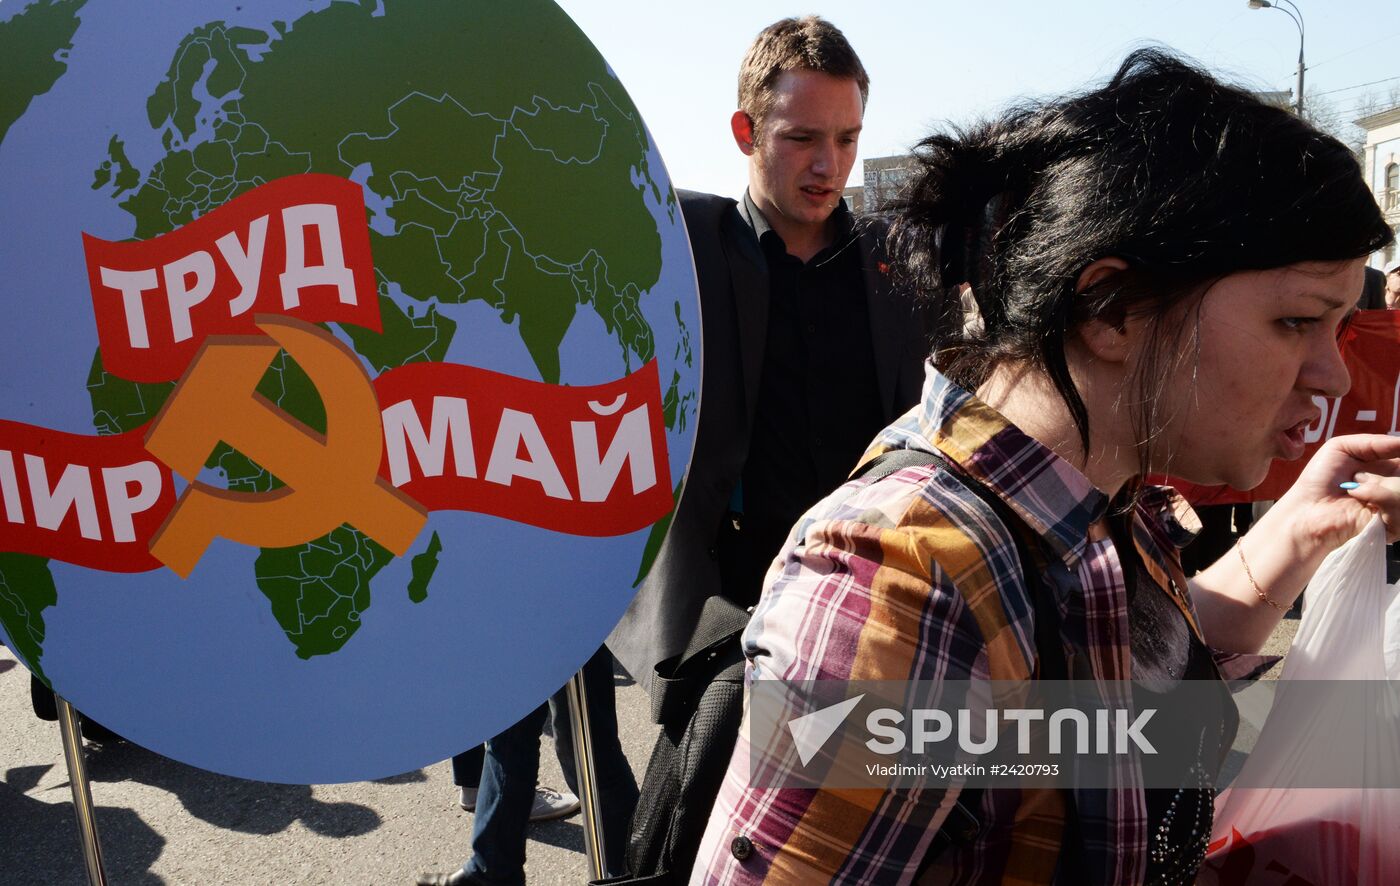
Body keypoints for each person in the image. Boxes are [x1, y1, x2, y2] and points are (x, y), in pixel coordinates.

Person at [692, 49, 1400, 884]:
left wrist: (1303, 528)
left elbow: (1104, 693)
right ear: (1113, 310)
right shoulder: (902, 584)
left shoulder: (1101, 497)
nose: (1334, 373)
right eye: (1296, 323)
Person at [606, 15, 929, 694]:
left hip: (877, 619)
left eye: (847, 140)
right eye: (801, 138)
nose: (828, 164)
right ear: (745, 132)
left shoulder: (898, 267)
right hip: (728, 632)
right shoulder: (685, 254)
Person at [417, 647, 636, 886]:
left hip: (563, 618)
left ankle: (635, 865)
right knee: (510, 731)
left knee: (585, 742)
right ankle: (493, 869)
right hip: (521, 619)